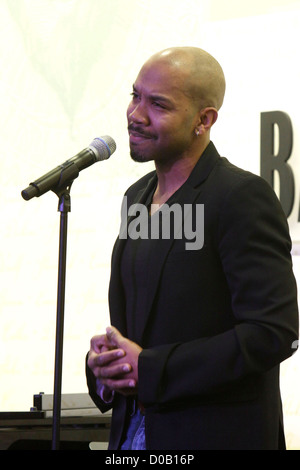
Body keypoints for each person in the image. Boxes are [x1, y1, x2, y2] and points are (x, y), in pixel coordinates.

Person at [86, 46, 299, 450]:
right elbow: (145, 328)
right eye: (135, 96)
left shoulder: (239, 197)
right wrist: (108, 367)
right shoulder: (137, 197)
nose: (136, 114)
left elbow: (274, 333)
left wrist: (149, 368)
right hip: (132, 437)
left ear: (204, 120)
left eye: (158, 104)